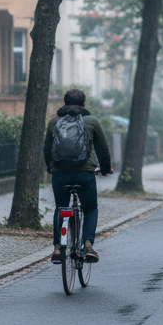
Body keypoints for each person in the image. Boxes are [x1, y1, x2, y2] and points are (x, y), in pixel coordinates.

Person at [44, 88, 113, 264]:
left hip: (60, 174)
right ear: (84, 103)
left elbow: (47, 149)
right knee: (90, 208)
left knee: (61, 207)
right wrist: (105, 168)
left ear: (65, 103)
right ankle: (88, 244)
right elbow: (102, 149)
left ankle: (58, 248)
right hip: (84, 174)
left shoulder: (54, 121)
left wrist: (50, 168)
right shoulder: (91, 121)